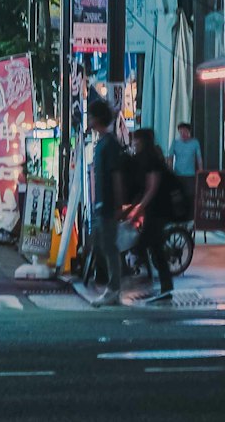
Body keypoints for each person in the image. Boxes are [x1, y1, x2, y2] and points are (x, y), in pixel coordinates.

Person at [127, 128, 174, 302]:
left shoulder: (152, 160)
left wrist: (139, 208)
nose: (134, 145)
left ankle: (165, 285)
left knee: (147, 244)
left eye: (136, 142)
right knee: (155, 247)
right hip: (156, 209)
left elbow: (152, 187)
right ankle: (166, 286)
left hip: (158, 210)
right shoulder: (148, 158)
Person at [89, 97, 124, 307]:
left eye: (91, 116)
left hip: (108, 204)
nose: (89, 121)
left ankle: (114, 288)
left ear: (98, 118)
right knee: (103, 244)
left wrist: (118, 205)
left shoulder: (109, 144)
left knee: (109, 246)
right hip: (102, 203)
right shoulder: (103, 143)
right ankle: (112, 287)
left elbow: (116, 175)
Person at [167, 122, 203, 209]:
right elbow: (170, 158)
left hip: (190, 174)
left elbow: (199, 158)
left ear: (189, 132)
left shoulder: (195, 142)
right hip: (177, 174)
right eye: (181, 132)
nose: (183, 134)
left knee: (191, 195)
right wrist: (170, 171)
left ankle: (190, 215)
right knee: (178, 196)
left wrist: (201, 172)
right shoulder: (175, 142)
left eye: (185, 132)